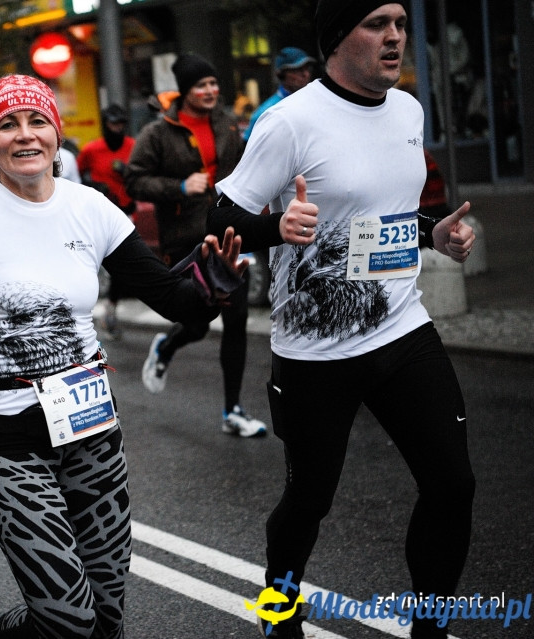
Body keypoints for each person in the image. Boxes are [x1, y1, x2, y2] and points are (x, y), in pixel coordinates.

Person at [0, 74, 247, 639]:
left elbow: (173, 300)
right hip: (7, 436)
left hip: (91, 426)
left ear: (56, 134)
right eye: (8, 125)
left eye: (37, 121)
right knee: (68, 620)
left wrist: (211, 287)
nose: (25, 135)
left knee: (106, 618)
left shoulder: (90, 208)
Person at [208, 2, 476, 637]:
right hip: (315, 352)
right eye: (376, 24)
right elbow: (220, 217)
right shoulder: (289, 123)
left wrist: (433, 234)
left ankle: (431, 628)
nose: (394, 37)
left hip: (402, 329)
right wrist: (276, 226)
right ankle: (280, 613)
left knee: (452, 485)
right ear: (336, 39)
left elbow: (382, 216)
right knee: (309, 500)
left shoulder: (407, 110)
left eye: (400, 23)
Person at [125, 52, 267, 437]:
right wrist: (180, 186)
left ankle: (233, 410)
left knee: (236, 318)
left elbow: (244, 169)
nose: (211, 90)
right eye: (202, 85)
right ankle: (167, 346)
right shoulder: (158, 133)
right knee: (198, 323)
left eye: (214, 83)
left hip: (227, 233)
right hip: (186, 238)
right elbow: (134, 180)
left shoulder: (226, 123)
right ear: (186, 90)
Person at [77, 104, 137, 339]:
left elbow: (144, 173)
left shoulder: (133, 146)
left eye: (121, 124)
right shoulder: (92, 150)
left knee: (124, 263)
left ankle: (110, 309)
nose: (117, 129)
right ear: (105, 125)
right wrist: (93, 185)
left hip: (125, 212)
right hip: (98, 214)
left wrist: (129, 172)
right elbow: (76, 176)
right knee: (91, 262)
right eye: (113, 124)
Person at [242, 47, 315, 143]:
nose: (306, 74)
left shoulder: (316, 103)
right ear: (281, 75)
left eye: (307, 69)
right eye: (298, 70)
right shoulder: (266, 113)